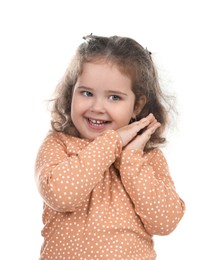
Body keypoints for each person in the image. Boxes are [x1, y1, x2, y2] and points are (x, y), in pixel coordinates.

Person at [35, 34, 185, 260]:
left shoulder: (147, 157)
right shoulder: (58, 144)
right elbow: (61, 195)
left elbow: (165, 221)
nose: (97, 107)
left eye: (114, 97)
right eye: (86, 93)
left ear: (137, 106)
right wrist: (113, 142)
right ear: (71, 93)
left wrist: (131, 158)